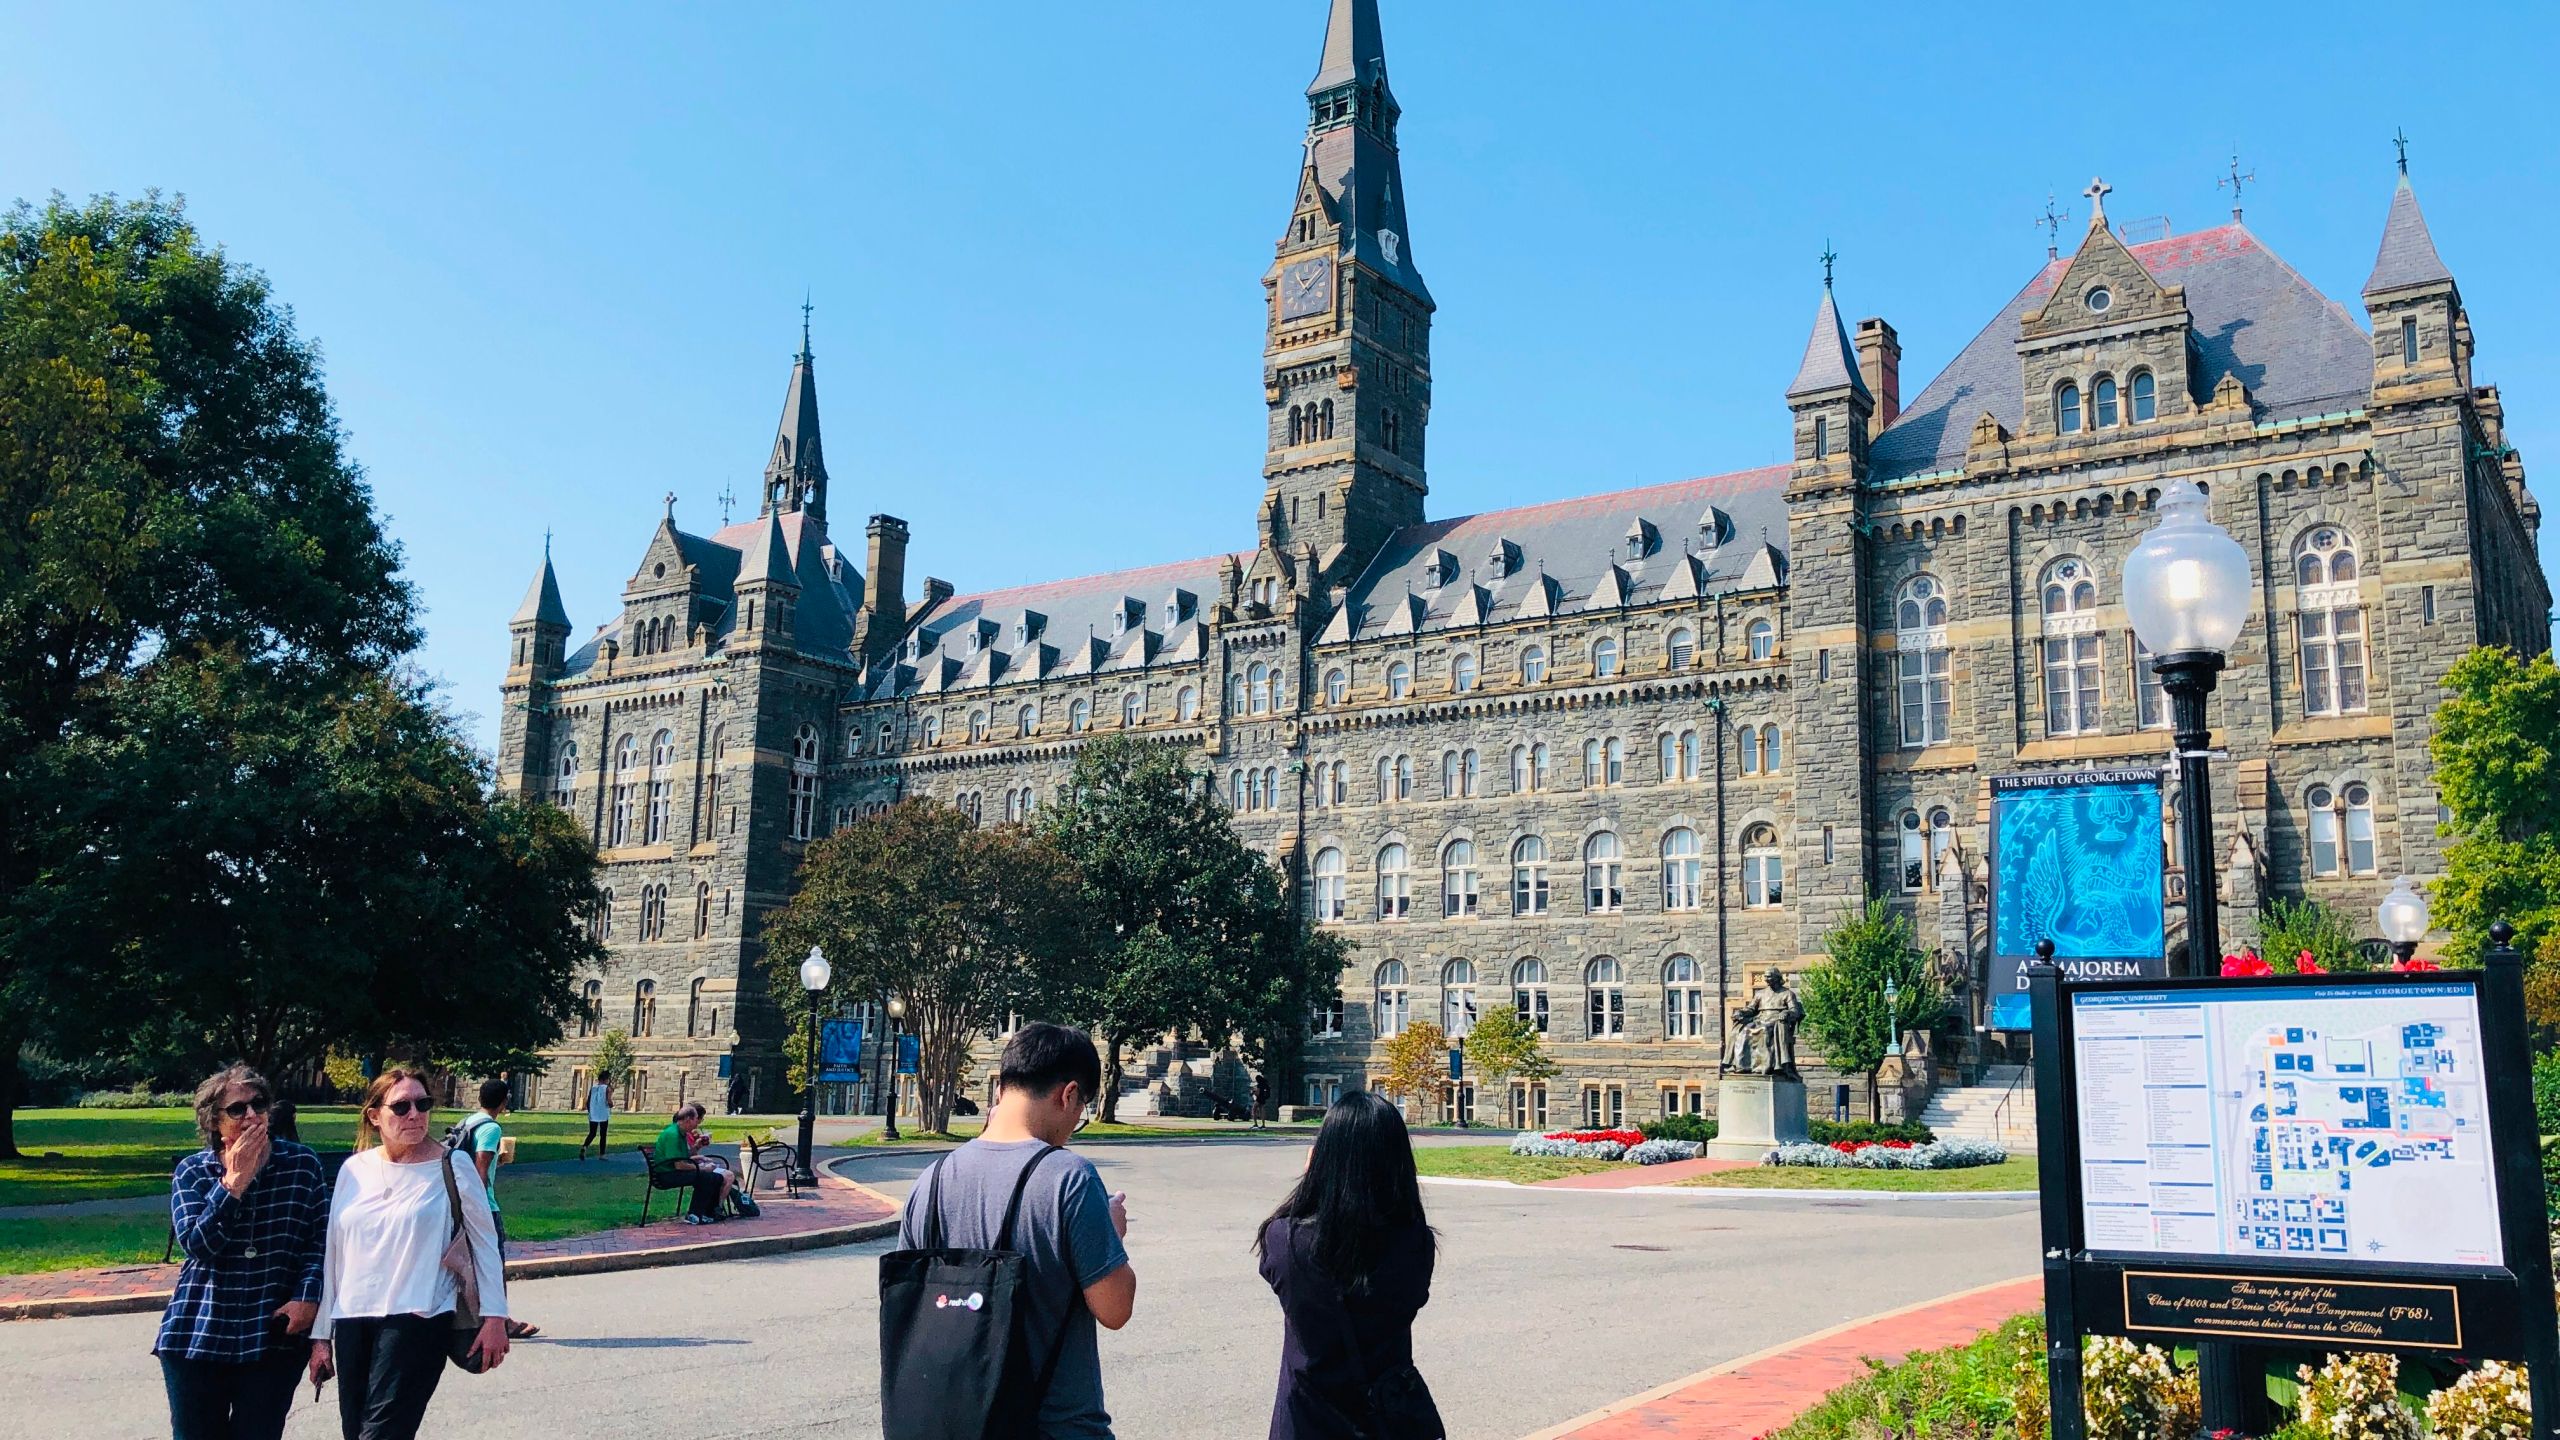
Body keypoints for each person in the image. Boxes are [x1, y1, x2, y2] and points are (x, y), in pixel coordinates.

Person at [896, 1023, 1134, 1439]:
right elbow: (1115, 1310)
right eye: (1081, 1111)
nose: (1075, 1122)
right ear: (1069, 1094)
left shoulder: (928, 1183)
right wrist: (1110, 1233)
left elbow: (910, 1312)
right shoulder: (1069, 1179)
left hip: (949, 1423)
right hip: (1054, 1427)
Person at [312, 1068, 510, 1440]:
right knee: (355, 1432)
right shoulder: (354, 1170)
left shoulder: (454, 1165)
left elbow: (485, 1244)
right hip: (353, 1318)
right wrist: (321, 1337)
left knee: (381, 1434)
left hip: (419, 1316)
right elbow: (334, 1254)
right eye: (401, 1106)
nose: (415, 1114)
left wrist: (495, 1317)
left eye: (423, 1104)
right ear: (375, 1116)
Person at [155, 1064, 329, 1440]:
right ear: (214, 1122)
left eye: (259, 1104)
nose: (251, 1115)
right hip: (200, 1332)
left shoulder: (301, 1165)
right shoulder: (194, 1172)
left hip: (273, 1332)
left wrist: (307, 1297)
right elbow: (199, 1245)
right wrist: (232, 1183)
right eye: (237, 1109)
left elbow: (319, 1240)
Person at [1254, 1090, 1440, 1440]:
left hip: (1307, 1421)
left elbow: (1272, 1261)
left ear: (1324, 1157)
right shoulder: (1415, 1243)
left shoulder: (1286, 1240)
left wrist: (1312, 1180)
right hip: (1387, 1422)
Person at [457, 1078, 539, 1339]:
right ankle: (502, 1321)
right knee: (494, 1264)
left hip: (460, 1200)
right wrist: (478, 1209)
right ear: (503, 1102)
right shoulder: (491, 1128)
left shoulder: (468, 1122)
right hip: (484, 1206)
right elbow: (480, 1167)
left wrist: (497, 1163)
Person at [651, 1103, 739, 1224]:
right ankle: (694, 1214)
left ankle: (708, 1212)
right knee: (706, 1176)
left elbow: (685, 1156)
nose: (698, 1123)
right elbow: (679, 1165)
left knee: (716, 1177)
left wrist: (697, 1148)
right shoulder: (673, 1135)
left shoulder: (680, 1133)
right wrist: (701, 1168)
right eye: (696, 1119)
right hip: (666, 1175)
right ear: (688, 1119)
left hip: (673, 1171)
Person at [579, 1076, 613, 1159]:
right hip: (603, 1113)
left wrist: (590, 1111)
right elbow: (609, 1101)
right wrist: (611, 1105)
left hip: (593, 1113)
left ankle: (585, 1147)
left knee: (592, 1133)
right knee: (603, 1134)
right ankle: (602, 1154)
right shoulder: (607, 1088)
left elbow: (588, 1101)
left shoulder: (593, 1088)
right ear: (606, 1079)